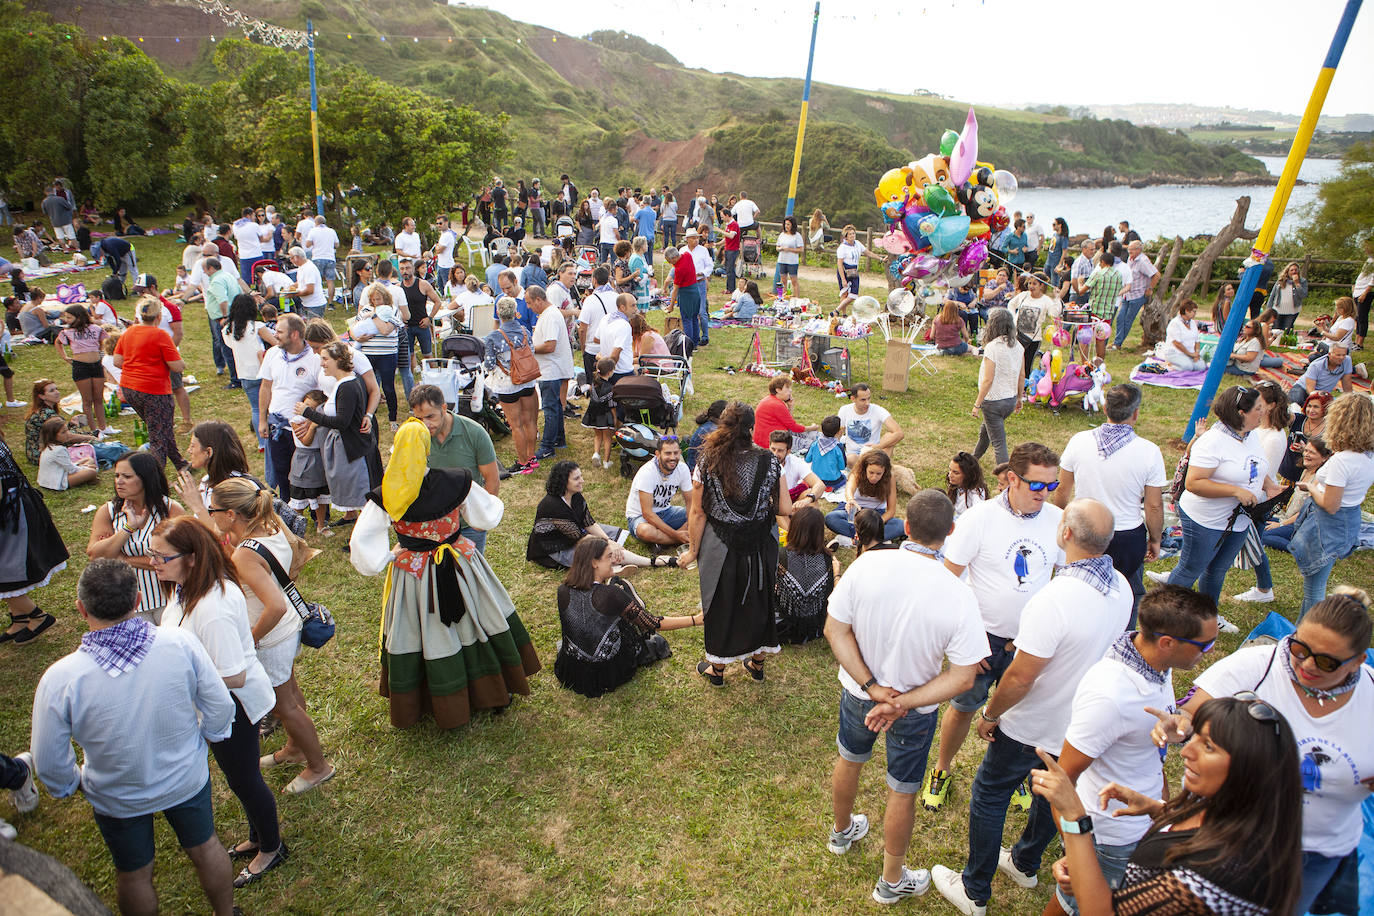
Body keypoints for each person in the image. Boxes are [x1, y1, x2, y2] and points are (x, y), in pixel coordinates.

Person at [931, 500, 1128, 916]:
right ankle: (1024, 861)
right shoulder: (1123, 587)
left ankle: (975, 891)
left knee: (989, 794)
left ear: (1066, 535)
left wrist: (990, 715)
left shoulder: (1054, 598)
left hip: (1031, 724)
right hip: (1078, 723)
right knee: (1051, 793)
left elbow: (1020, 677)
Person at [30, 559, 238, 916]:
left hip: (117, 793)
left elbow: (48, 758)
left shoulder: (62, 678)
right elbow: (219, 704)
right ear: (139, 598)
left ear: (81, 609)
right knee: (206, 848)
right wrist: (210, 737)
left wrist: (69, 784)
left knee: (133, 874)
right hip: (184, 778)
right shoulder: (179, 644)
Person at [1157, 589, 1371, 915]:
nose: (1307, 664)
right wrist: (1180, 725)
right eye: (1300, 648)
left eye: (1326, 661)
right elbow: (1193, 709)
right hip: (1231, 837)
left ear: (1358, 661)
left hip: (1315, 850)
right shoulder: (1258, 666)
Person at [825, 490, 988, 905]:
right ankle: (891, 880)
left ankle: (841, 833)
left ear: (907, 527)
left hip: (858, 694)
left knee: (849, 759)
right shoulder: (959, 593)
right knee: (902, 790)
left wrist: (871, 687)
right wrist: (902, 701)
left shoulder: (867, 564)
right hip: (914, 711)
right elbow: (964, 676)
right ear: (950, 532)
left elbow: (834, 630)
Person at [347, 420, 541, 728]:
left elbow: (361, 542)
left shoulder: (386, 495)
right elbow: (485, 515)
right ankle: (490, 689)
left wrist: (387, 556)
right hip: (462, 565)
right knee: (478, 621)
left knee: (422, 632)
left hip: (414, 576)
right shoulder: (456, 481)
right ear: (425, 449)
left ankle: (433, 699)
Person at [1040, 585, 1219, 916]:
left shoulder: (1152, 664)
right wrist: (1076, 847)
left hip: (1144, 819)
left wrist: (1182, 724)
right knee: (1082, 904)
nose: (1209, 651)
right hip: (1112, 834)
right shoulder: (1111, 697)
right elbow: (1063, 779)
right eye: (1204, 645)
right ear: (1167, 643)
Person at [1033, 697, 1302, 916]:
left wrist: (1075, 818)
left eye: (1208, 746)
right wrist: (1156, 809)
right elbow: (1198, 834)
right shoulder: (1238, 815)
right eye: (1195, 737)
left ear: (1249, 768)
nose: (1186, 751)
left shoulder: (1212, 876)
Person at [921, 442, 1065, 812]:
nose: (1045, 494)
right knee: (964, 706)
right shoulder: (978, 519)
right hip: (981, 639)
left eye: (1052, 485)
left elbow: (1064, 579)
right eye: (1038, 485)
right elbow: (947, 581)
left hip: (1032, 643)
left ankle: (1005, 773)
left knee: (1015, 714)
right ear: (1012, 479)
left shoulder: (1059, 520)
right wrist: (965, 642)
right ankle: (941, 769)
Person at [150, 517, 287, 888]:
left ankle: (272, 847)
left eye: (161, 557)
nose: (153, 563)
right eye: (152, 554)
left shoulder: (211, 608)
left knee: (245, 780)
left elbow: (234, 675)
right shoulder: (186, 589)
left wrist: (179, 683)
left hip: (234, 708)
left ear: (191, 558)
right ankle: (258, 836)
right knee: (238, 777)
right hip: (217, 706)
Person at [210, 478, 334, 794]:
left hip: (272, 637)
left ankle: (318, 767)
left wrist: (250, 638)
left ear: (230, 515)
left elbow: (274, 607)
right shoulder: (272, 525)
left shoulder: (245, 555)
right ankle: (295, 748)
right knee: (289, 693)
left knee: (283, 705)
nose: (210, 515)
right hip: (287, 630)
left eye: (212, 510)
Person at [680, 403, 790, 685]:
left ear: (723, 426)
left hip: (720, 542)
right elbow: (784, 507)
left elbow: (697, 511)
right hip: (761, 540)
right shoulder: (770, 460)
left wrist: (693, 550)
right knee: (760, 597)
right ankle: (757, 663)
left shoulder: (707, 460)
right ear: (752, 429)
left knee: (720, 600)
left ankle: (716, 669)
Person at [1166, 386, 1284, 614]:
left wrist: (1269, 485)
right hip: (1205, 519)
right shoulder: (1211, 441)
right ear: (1241, 412)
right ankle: (1164, 615)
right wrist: (1235, 491)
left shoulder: (1250, 436)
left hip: (1240, 520)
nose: (1264, 412)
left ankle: (1209, 616)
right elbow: (1194, 482)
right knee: (1191, 568)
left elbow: (1256, 464)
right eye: (1258, 409)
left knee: (1217, 569)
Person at [1056, 383, 1166, 619]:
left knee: (1080, 590)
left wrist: (1060, 522)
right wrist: (1155, 538)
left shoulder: (1079, 440)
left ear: (1105, 408)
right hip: (1127, 535)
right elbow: (1154, 505)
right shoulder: (1149, 451)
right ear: (1135, 413)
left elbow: (1062, 491)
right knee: (1127, 592)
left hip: (1083, 529)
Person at [554, 537, 701, 697]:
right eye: (608, 557)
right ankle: (629, 597)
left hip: (573, 670)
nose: (614, 560)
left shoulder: (562, 590)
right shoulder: (611, 595)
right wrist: (695, 620)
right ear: (594, 563)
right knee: (624, 598)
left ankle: (623, 594)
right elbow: (653, 623)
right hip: (608, 673)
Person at [1286, 394, 1374, 614]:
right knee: (1316, 584)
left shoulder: (1342, 460)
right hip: (1348, 518)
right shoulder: (1367, 455)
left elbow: (1330, 504)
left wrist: (1312, 488)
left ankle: (1308, 637)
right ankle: (1301, 631)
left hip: (1329, 523)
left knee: (1314, 589)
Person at [86, 451, 185, 623]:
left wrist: (123, 559)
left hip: (168, 599)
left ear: (145, 478)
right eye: (117, 475)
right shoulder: (108, 512)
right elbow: (96, 556)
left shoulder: (170, 509)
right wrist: (128, 528)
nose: (119, 481)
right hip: (128, 603)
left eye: (127, 476)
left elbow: (180, 559)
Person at [528, 460, 669, 570]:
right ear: (564, 483)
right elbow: (580, 537)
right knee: (600, 549)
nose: (582, 481)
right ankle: (653, 562)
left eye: (581, 476)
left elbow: (589, 522)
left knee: (611, 537)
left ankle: (614, 565)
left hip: (576, 533)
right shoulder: (552, 505)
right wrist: (607, 544)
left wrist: (608, 540)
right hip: (556, 546)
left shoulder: (575, 496)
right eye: (577, 478)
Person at [0, 431, 67, 645]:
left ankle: (38, 616)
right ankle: (20, 619)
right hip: (13, 507)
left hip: (10, 512)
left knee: (5, 572)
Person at [299, 343, 370, 528]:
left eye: (325, 359)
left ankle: (362, 536)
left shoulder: (347, 386)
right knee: (353, 492)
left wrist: (309, 413)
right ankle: (355, 526)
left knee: (359, 494)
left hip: (350, 447)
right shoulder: (343, 383)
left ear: (338, 360)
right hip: (345, 446)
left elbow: (342, 422)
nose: (321, 363)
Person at [113, 298, 186, 469]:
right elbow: (176, 366)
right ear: (159, 317)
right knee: (158, 436)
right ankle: (155, 478)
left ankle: (180, 462)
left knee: (161, 427)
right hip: (154, 391)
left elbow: (117, 361)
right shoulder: (161, 335)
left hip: (130, 388)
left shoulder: (129, 332)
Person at [257, 314, 322, 498]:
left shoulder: (314, 358)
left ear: (294, 334)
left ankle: (317, 513)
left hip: (303, 427)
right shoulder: (272, 354)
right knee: (281, 470)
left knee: (310, 473)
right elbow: (266, 387)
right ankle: (287, 508)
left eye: (279, 331)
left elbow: (321, 395)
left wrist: (312, 422)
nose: (275, 334)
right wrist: (262, 419)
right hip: (277, 425)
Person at [484, 296, 539, 474]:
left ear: (499, 313)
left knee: (516, 425)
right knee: (530, 421)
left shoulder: (493, 337)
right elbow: (531, 350)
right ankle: (532, 457)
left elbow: (490, 364)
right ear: (516, 312)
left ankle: (523, 462)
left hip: (508, 383)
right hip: (527, 379)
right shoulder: (524, 331)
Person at [772, 506, 837, 644]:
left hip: (783, 624)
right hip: (816, 627)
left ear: (794, 528)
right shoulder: (826, 559)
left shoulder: (782, 556)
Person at [970, 308, 1024, 465]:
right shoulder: (1018, 346)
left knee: (999, 443)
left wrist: (977, 404)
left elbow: (988, 380)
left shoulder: (992, 348)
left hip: (993, 402)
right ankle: (973, 460)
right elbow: (1022, 376)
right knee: (986, 432)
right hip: (1010, 400)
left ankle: (1005, 476)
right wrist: (1019, 398)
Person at [529, 285, 573, 461]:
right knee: (555, 406)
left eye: (530, 303)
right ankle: (559, 440)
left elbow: (549, 345)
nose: (530, 307)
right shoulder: (551, 313)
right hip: (551, 368)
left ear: (539, 300)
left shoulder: (550, 317)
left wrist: (529, 349)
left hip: (551, 370)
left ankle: (547, 446)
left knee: (550, 409)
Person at [625, 436, 694, 548]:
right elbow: (647, 513)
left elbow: (690, 501)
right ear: (657, 454)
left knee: (701, 512)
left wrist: (690, 524)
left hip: (667, 512)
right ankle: (679, 539)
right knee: (645, 531)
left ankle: (664, 540)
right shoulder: (647, 472)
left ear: (680, 452)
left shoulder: (682, 468)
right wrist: (676, 535)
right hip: (640, 517)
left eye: (676, 453)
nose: (673, 457)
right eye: (668, 453)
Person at [826, 449, 904, 545]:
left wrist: (875, 524)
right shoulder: (858, 473)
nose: (874, 477)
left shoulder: (889, 478)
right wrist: (851, 500)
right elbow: (849, 488)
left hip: (876, 515)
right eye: (871, 473)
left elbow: (891, 511)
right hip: (856, 511)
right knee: (831, 518)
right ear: (865, 469)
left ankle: (852, 540)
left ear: (885, 471)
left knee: (900, 525)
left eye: (879, 474)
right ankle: (876, 540)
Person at [54, 304, 110, 435]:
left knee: (98, 398)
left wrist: (101, 352)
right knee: (87, 400)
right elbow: (58, 342)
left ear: (79, 317)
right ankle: (93, 429)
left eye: (69, 317)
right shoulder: (67, 332)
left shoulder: (96, 328)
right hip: (80, 366)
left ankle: (104, 427)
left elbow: (104, 340)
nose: (66, 320)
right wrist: (65, 357)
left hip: (96, 365)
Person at [839, 382, 903, 466]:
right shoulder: (844, 410)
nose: (867, 403)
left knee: (890, 436)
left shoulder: (878, 410)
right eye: (863, 400)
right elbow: (837, 433)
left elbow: (899, 433)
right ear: (853, 399)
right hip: (854, 455)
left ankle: (878, 467)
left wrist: (878, 447)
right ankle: (877, 468)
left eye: (869, 398)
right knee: (850, 459)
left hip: (874, 453)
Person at [1009, 272, 1058, 376]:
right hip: (1017, 335)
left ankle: (1024, 388)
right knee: (1013, 363)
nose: (1031, 286)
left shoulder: (1046, 300)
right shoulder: (1024, 295)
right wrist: (1013, 318)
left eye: (1034, 284)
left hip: (1033, 339)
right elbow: (1011, 304)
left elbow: (1054, 314)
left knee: (1026, 365)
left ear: (1041, 285)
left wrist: (1057, 297)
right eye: (1029, 283)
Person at [1278, 389, 1330, 483]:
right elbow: (1280, 416)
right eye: (1309, 406)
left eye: (1316, 407)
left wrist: (1306, 450)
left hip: (1309, 480)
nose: (1311, 410)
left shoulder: (1329, 430)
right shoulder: (1297, 419)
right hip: (1288, 475)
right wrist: (1282, 398)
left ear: (1325, 408)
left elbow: (1327, 456)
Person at [768, 431, 825, 518]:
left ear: (788, 451)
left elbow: (819, 484)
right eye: (773, 449)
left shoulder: (796, 462)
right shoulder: (763, 462)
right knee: (778, 505)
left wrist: (808, 499)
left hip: (792, 501)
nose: (775, 454)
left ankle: (813, 529)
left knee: (811, 497)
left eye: (780, 450)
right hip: (773, 505)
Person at [753, 376, 816, 449]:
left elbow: (789, 424)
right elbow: (794, 427)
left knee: (811, 436)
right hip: (773, 442)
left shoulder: (770, 400)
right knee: (812, 445)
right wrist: (812, 427)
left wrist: (790, 407)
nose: (791, 390)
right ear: (778, 390)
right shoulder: (777, 405)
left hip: (769, 437)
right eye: (787, 388)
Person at [37, 417, 99, 490]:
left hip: (49, 478)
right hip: (56, 482)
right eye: (63, 432)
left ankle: (88, 476)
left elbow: (68, 465)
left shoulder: (49, 446)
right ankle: (89, 478)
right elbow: (72, 470)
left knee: (89, 459)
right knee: (92, 472)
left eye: (67, 431)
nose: (67, 434)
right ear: (53, 435)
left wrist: (84, 466)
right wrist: (86, 468)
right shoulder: (58, 450)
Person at [1288, 344, 1355, 406]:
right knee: (1296, 402)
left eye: (1344, 355)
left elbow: (1347, 383)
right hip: (1303, 388)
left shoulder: (1347, 360)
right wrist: (1317, 401)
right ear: (1329, 354)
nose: (1341, 358)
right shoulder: (1316, 365)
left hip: (1323, 393)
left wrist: (1349, 400)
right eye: (1338, 355)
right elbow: (1310, 388)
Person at [836, 225, 882, 309]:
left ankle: (836, 310)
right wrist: (843, 279)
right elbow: (839, 264)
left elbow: (867, 252)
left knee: (853, 295)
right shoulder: (842, 248)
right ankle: (843, 314)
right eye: (850, 234)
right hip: (845, 270)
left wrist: (880, 258)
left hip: (854, 271)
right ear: (846, 236)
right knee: (844, 293)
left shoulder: (857, 243)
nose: (852, 236)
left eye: (853, 233)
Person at [1163, 297, 1207, 371]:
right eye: (1194, 311)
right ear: (1186, 311)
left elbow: (1197, 340)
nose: (1195, 314)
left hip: (1190, 354)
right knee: (1187, 367)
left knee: (1201, 367)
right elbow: (1177, 343)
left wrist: (1196, 353)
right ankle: (1170, 365)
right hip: (1175, 352)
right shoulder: (1175, 323)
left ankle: (1186, 362)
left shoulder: (1192, 323)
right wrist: (1190, 354)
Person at [805, 415, 847, 491]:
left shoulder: (815, 444)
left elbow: (807, 460)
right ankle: (828, 487)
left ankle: (819, 486)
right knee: (844, 478)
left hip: (815, 478)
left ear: (821, 429)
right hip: (833, 480)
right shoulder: (838, 447)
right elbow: (842, 467)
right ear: (838, 432)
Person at [1265, 260, 1308, 330]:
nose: (1294, 272)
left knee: (1286, 331)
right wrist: (1268, 309)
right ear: (1287, 272)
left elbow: (1303, 295)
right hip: (1278, 310)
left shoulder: (1302, 281)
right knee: (1275, 330)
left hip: (1292, 311)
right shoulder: (1280, 281)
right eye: (1291, 270)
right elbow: (1273, 295)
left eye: (1296, 270)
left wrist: (1297, 284)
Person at [945, 451, 988, 520]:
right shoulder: (956, 486)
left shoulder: (975, 494)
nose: (950, 475)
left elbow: (979, 516)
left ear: (967, 475)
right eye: (950, 470)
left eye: (956, 473)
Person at [1352, 236, 1373, 349]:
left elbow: (1373, 279)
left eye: (1367, 246)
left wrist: (1365, 292)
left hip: (1365, 292)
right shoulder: (1369, 260)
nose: (1365, 248)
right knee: (1357, 317)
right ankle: (1356, 341)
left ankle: (1360, 343)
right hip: (1358, 290)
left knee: (1362, 317)